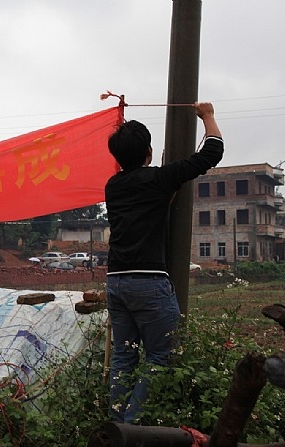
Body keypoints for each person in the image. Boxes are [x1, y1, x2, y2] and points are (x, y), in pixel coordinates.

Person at [104, 102, 223, 424]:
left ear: (118, 157)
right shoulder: (161, 179)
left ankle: (115, 424)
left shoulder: (113, 186)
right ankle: (131, 429)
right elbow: (211, 153)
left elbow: (153, 199)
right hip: (148, 283)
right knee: (162, 356)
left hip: (116, 281)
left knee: (124, 357)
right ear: (149, 151)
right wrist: (207, 116)